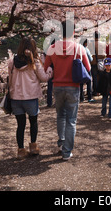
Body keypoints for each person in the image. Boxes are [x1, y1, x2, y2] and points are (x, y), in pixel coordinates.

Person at [44, 20, 91, 160]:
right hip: (73, 87)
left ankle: (61, 143)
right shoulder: (78, 48)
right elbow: (88, 68)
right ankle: (66, 152)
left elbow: (46, 68)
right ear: (73, 32)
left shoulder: (52, 48)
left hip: (57, 86)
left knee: (60, 116)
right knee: (71, 119)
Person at [8, 37, 53, 159]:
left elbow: (10, 80)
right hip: (31, 97)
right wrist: (49, 71)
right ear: (33, 48)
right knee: (33, 122)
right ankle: (33, 147)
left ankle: (21, 150)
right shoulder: (35, 62)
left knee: (20, 125)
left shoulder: (12, 61)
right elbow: (44, 78)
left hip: (16, 97)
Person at [89, 31, 107, 95]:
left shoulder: (90, 44)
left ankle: (95, 91)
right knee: (101, 77)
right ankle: (101, 90)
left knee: (94, 77)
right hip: (102, 61)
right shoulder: (103, 43)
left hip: (94, 62)